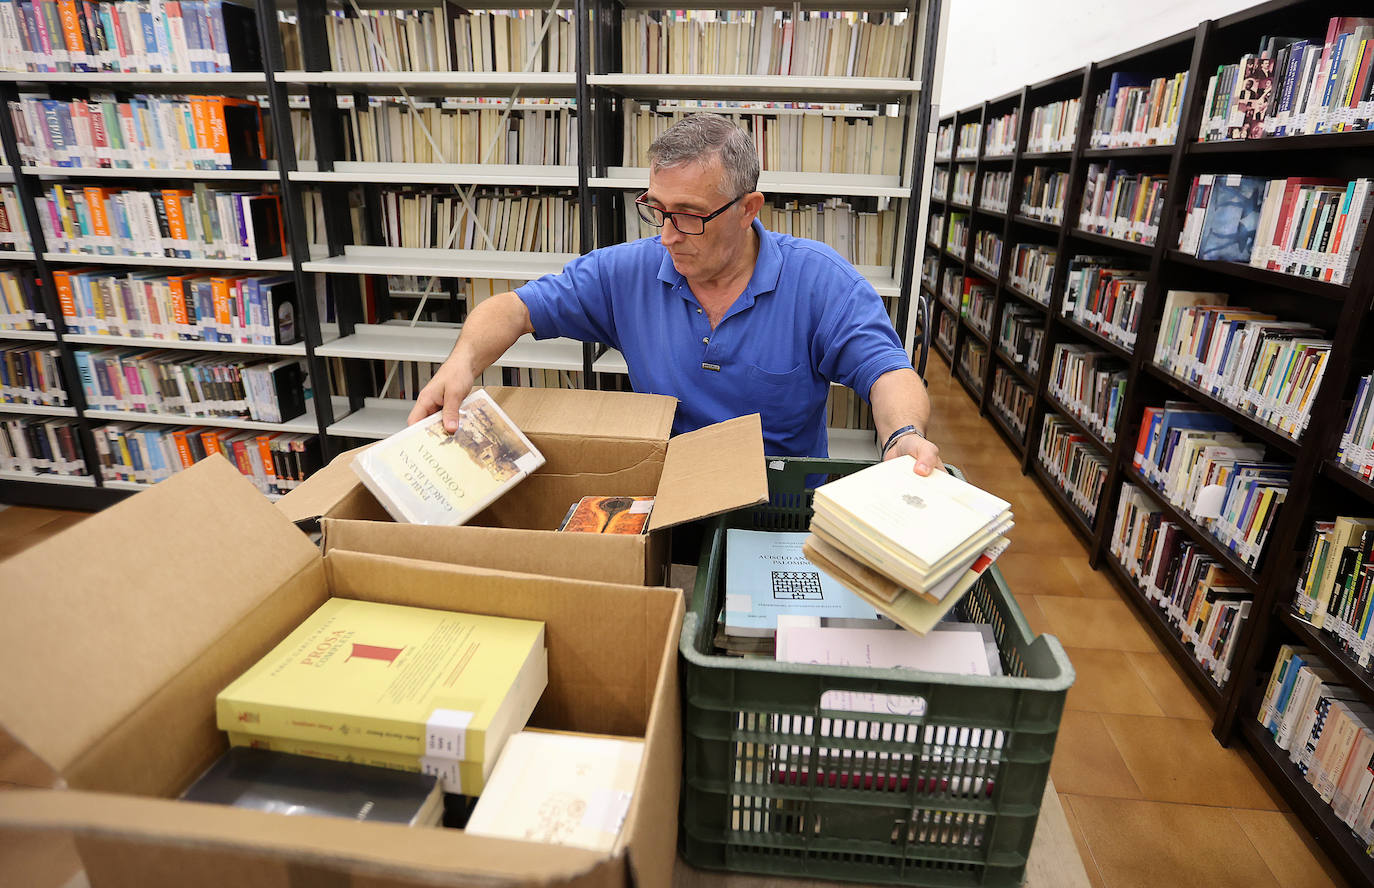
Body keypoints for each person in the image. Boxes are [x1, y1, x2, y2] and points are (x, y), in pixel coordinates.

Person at [407, 113, 942, 474]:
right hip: (667, 485)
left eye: (688, 215)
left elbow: (887, 371)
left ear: (748, 209)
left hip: (776, 500)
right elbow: (515, 308)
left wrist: (902, 438)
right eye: (657, 209)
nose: (666, 236)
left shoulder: (820, 281)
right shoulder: (627, 272)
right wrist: (461, 363)